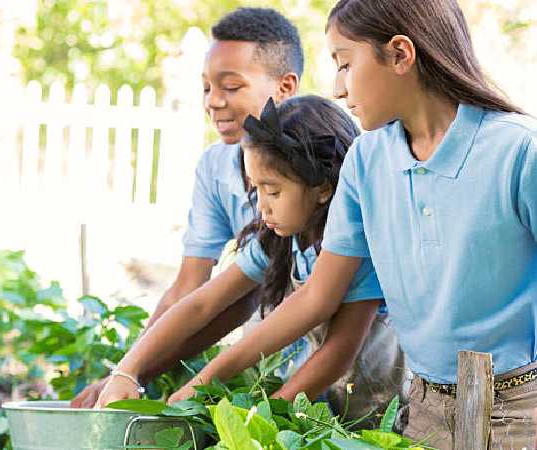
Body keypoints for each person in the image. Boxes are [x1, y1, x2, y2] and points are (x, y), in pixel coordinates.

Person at [166, 0, 537, 448]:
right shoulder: (366, 159)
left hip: (520, 410)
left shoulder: (518, 152)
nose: (339, 89)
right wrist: (203, 386)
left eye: (344, 64)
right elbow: (315, 301)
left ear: (400, 55)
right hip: (423, 410)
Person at [96, 96, 406, 428]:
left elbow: (338, 352)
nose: (261, 207)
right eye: (255, 189)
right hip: (319, 411)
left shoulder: (360, 247)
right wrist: (128, 369)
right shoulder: (280, 239)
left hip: (374, 419)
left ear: (323, 188)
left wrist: (259, 419)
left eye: (273, 192)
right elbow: (202, 304)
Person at [70, 7, 304, 408]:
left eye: (231, 86)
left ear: (284, 87)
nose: (213, 101)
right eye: (206, 87)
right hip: (274, 363)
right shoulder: (216, 167)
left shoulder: (321, 164)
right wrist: (127, 371)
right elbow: (190, 290)